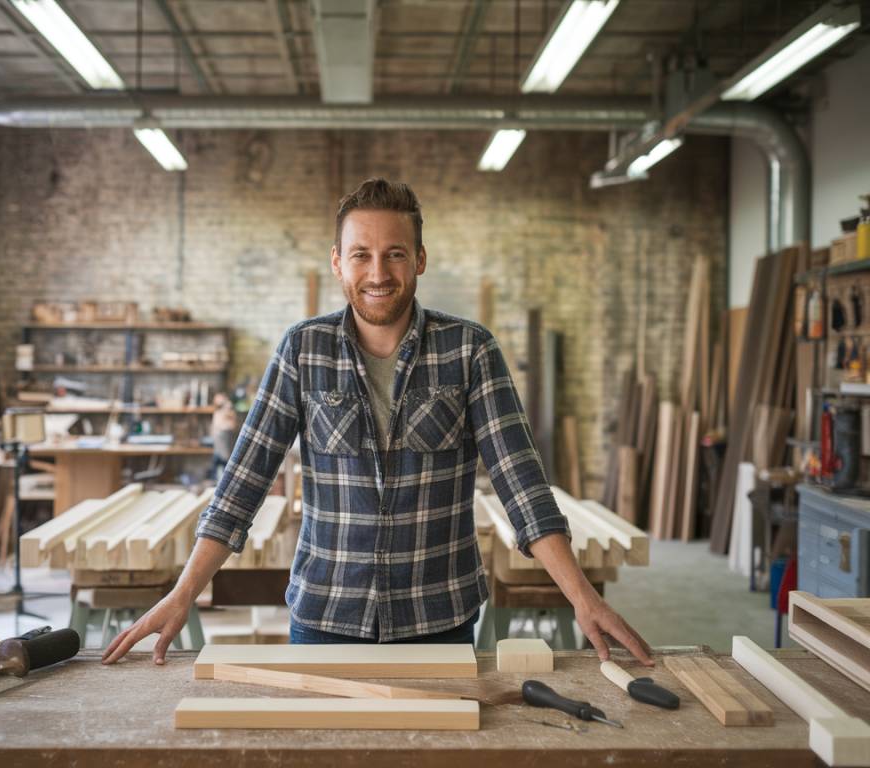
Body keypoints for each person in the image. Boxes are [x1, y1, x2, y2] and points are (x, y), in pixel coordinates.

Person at [103, 178, 652, 665]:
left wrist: (584, 597)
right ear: (338, 261)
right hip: (325, 617)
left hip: (438, 622)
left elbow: (523, 487)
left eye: (394, 254)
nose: (378, 273)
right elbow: (241, 486)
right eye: (361, 255)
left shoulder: (470, 350)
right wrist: (182, 595)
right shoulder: (303, 350)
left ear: (419, 259)